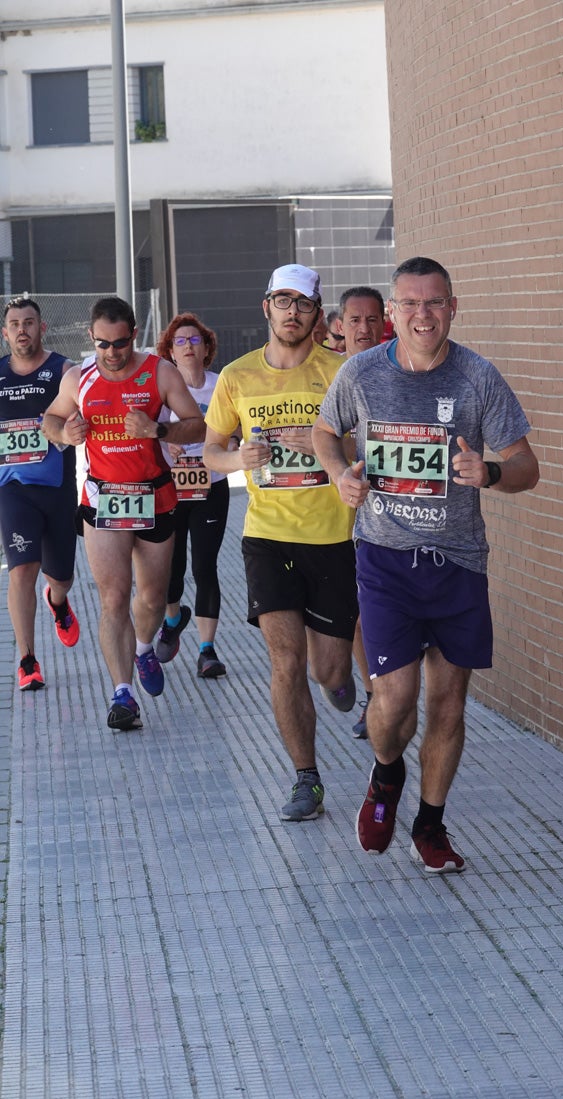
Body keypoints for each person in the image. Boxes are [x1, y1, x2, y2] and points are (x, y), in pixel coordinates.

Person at [312, 256, 540, 873]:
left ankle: (430, 824)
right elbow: (325, 432)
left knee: (447, 706)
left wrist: (489, 472)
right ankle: (387, 773)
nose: (422, 315)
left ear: (453, 308)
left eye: (434, 302)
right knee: (396, 699)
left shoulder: (476, 378)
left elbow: (527, 466)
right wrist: (339, 475)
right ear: (391, 312)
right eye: (409, 303)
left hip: (459, 561)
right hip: (384, 558)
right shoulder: (360, 373)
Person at [203, 263, 359, 822]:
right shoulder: (237, 378)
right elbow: (210, 451)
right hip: (267, 537)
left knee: (329, 671)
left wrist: (325, 446)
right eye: (283, 301)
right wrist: (235, 460)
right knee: (285, 662)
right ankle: (306, 778)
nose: (293, 311)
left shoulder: (343, 371)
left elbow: (367, 444)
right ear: (266, 306)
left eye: (305, 303)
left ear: (318, 315)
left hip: (333, 538)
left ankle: (343, 686)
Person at [41, 296, 205, 731]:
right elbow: (50, 420)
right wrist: (65, 430)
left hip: (155, 498)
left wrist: (159, 429)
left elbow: (198, 424)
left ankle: (145, 646)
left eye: (119, 343)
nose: (112, 353)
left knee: (151, 598)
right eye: (102, 344)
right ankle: (122, 695)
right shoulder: (79, 378)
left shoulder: (160, 373)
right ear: (91, 340)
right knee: (113, 598)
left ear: (133, 334)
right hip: (103, 499)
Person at [0, 296, 80, 690]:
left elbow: (84, 415)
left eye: (29, 322)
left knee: (60, 575)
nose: (22, 330)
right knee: (21, 571)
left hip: (57, 489)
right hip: (13, 491)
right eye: (14, 324)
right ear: (5, 333)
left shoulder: (63, 371)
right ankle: (27, 660)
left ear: (41, 328)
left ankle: (59, 601)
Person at [154, 312, 232, 679]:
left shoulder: (221, 386)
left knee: (204, 566)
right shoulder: (162, 388)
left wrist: (226, 444)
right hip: (171, 487)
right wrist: (167, 449)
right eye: (180, 341)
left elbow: (236, 434)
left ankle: (207, 649)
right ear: (169, 351)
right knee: (172, 568)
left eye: (194, 340)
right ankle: (173, 618)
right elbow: (146, 434)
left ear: (206, 348)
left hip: (211, 485)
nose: (187, 346)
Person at [337, 286, 386, 738]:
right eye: (355, 320)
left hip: (388, 519)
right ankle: (370, 693)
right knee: (353, 617)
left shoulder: (394, 370)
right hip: (332, 518)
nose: (364, 328)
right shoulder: (330, 375)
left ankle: (382, 700)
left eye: (372, 319)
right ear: (340, 325)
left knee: (371, 611)